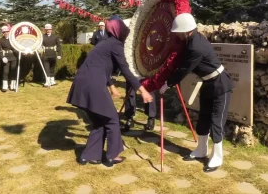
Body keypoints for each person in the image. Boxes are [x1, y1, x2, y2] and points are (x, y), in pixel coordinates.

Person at [67, 15, 154, 167]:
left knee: (99, 121)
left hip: (82, 83)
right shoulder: (115, 45)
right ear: (118, 31)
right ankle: (112, 156)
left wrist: (112, 87)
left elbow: (102, 67)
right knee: (112, 119)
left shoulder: (103, 44)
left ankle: (89, 156)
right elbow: (125, 70)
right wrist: (142, 90)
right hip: (93, 85)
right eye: (124, 31)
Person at [159, 13, 233, 173]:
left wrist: (168, 83)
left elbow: (185, 69)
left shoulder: (195, 46)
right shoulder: (191, 40)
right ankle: (201, 150)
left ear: (186, 31)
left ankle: (217, 157)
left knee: (216, 121)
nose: (176, 35)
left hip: (220, 84)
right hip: (208, 83)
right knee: (203, 119)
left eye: (178, 31)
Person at [0, 26, 18, 92]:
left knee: (13, 71)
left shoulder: (13, 39)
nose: (6, 33)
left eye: (7, 32)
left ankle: (12, 85)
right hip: (6, 58)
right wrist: (2, 57)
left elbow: (17, 47)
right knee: (5, 72)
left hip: (13, 57)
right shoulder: (0, 40)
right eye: (4, 32)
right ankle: (5, 86)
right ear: (3, 33)